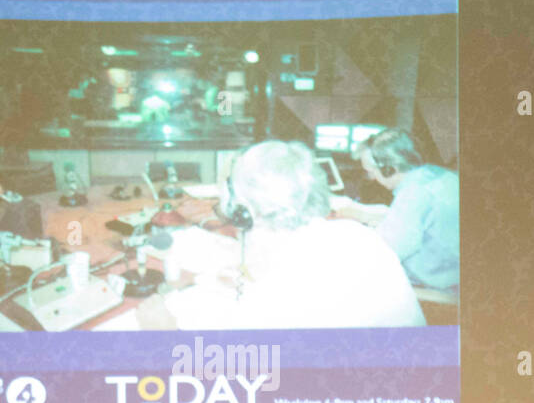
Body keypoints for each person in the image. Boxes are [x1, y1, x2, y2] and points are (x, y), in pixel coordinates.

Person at [147, 139, 425, 330]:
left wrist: (167, 312)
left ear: (239, 207)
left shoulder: (285, 277)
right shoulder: (357, 234)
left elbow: (245, 333)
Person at [352, 128, 459, 298]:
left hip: (440, 289)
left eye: (371, 172)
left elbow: (386, 252)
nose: (371, 179)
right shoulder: (438, 174)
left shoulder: (413, 193)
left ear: (389, 169)